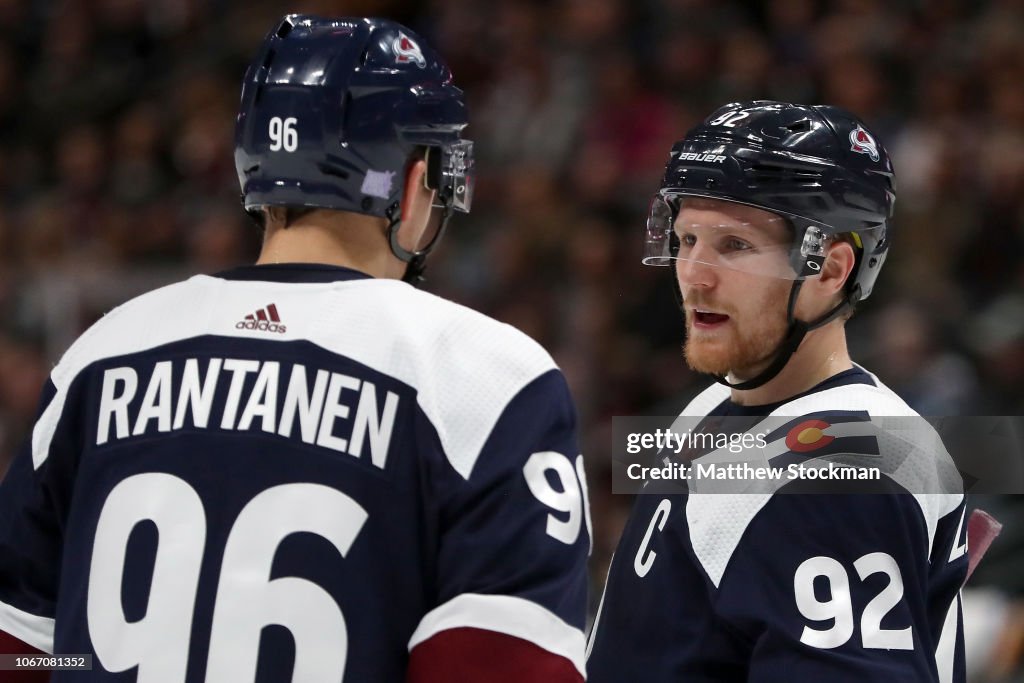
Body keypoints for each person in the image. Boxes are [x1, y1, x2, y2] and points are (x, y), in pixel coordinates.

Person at [0, 16, 590, 682]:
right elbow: (501, 666)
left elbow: (18, 645)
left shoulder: (104, 351)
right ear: (414, 177)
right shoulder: (487, 377)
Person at [586, 101, 967, 681]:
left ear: (831, 270)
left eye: (734, 245)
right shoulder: (713, 405)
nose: (694, 273)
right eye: (687, 238)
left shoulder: (850, 464)